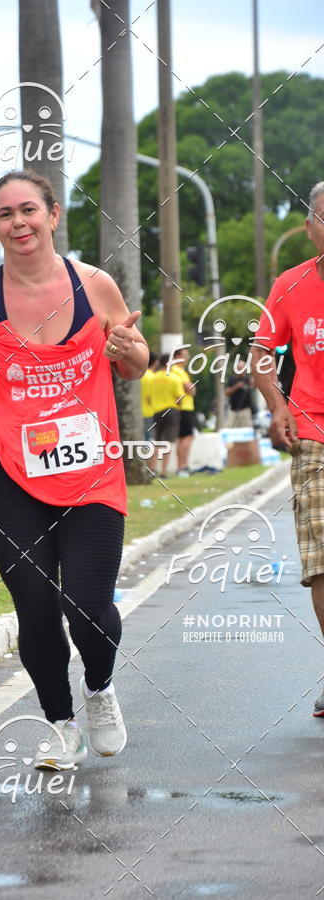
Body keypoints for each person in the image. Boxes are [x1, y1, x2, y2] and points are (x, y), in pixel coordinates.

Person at [0, 170, 148, 769]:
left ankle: (98, 690)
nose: (18, 222)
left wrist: (129, 351)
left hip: (91, 475)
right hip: (13, 478)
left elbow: (135, 361)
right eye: (5, 214)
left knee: (87, 604)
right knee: (36, 610)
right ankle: (61, 725)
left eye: (29, 210)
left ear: (53, 215)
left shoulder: (95, 286)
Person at [253, 179, 324, 718]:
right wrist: (277, 405)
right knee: (321, 565)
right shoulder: (291, 284)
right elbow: (260, 355)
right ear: (310, 227)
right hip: (313, 436)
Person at [149, 354, 184, 477]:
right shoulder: (175, 378)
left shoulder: (153, 378)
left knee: (157, 440)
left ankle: (152, 469)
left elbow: (149, 397)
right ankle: (164, 471)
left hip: (156, 411)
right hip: (171, 410)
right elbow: (179, 397)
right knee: (168, 441)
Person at [172, 347, 196, 476]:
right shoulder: (177, 371)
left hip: (183, 408)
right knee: (187, 437)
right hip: (184, 407)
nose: (187, 358)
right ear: (177, 357)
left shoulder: (178, 371)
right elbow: (190, 389)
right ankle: (183, 465)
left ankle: (181, 466)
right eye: (185, 355)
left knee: (182, 438)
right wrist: (192, 388)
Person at [141, 351, 158, 440]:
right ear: (155, 362)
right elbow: (150, 397)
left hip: (137, 411)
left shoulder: (139, 375)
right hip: (149, 411)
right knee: (148, 437)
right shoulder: (153, 377)